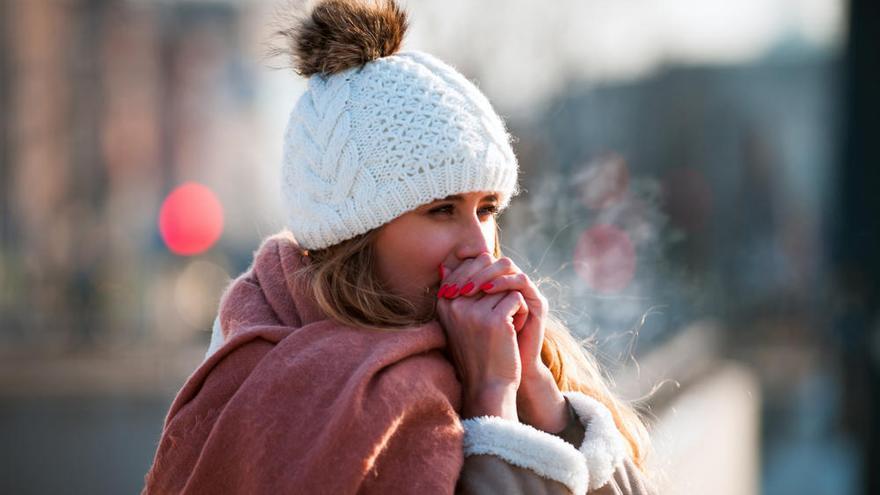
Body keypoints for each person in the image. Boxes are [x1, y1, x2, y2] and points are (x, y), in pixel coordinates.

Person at [143, 0, 657, 493]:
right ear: (356, 236)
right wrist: (492, 402)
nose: (479, 248)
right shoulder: (278, 383)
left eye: (486, 209)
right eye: (442, 210)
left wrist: (541, 396)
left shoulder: (509, 351)